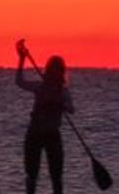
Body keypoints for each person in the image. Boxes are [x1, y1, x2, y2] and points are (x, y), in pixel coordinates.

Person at [15, 39, 74, 194]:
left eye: (58, 70)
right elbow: (19, 82)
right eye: (53, 69)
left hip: (53, 135)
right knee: (32, 175)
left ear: (61, 72)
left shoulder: (63, 91)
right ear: (48, 70)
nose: (55, 72)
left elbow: (72, 109)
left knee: (57, 176)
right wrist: (21, 59)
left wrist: (61, 105)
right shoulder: (40, 87)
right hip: (35, 134)